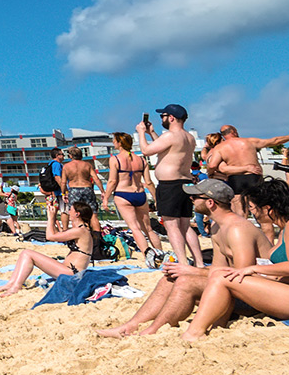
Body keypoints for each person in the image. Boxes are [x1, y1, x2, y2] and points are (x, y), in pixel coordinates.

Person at [96, 180, 268, 338]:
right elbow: (218, 269)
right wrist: (186, 271)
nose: (191, 199)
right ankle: (130, 326)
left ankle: (152, 331)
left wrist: (192, 271)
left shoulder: (237, 229)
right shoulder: (219, 228)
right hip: (232, 289)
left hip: (255, 298)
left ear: (210, 203)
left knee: (186, 282)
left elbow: (242, 276)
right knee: (170, 279)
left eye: (195, 196)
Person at [183, 179, 289, 340]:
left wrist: (254, 268)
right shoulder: (285, 229)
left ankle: (194, 333)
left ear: (268, 209)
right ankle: (215, 328)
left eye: (253, 208)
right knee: (222, 277)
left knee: (222, 277)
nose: (253, 214)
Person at [139, 106, 201, 267]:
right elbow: (166, 150)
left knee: (172, 226)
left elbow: (146, 151)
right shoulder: (188, 137)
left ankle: (182, 262)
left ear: (171, 118)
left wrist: (140, 132)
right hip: (185, 183)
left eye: (163, 116)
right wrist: (152, 133)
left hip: (170, 185)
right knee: (186, 227)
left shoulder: (171, 136)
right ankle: (199, 262)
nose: (162, 120)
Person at [0, 198, 97, 296]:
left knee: (27, 253)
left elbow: (50, 236)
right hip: (68, 270)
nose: (68, 211)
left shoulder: (80, 230)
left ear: (77, 214)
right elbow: (57, 235)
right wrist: (53, 219)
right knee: (24, 253)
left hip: (71, 274)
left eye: (70, 209)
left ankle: (17, 286)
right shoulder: (81, 229)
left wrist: (51, 218)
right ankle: (12, 282)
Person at [102, 132, 157, 264]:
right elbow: (149, 182)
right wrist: (156, 198)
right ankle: (160, 253)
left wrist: (106, 198)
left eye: (114, 141)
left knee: (135, 228)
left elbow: (112, 181)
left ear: (119, 143)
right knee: (148, 228)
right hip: (140, 194)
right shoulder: (142, 160)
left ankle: (147, 256)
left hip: (123, 194)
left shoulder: (115, 159)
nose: (113, 143)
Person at [204, 124, 289, 191]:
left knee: (240, 210)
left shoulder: (220, 147)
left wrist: (210, 174)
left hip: (235, 179)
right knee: (259, 207)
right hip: (253, 175)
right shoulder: (249, 141)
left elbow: (212, 165)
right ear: (234, 132)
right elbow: (274, 141)